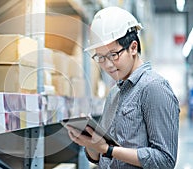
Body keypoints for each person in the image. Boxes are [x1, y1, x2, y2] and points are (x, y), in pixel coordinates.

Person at [66, 6, 180, 169]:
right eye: (100, 57)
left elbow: (164, 160)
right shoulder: (114, 93)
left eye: (113, 55)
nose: (107, 64)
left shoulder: (154, 88)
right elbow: (98, 158)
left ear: (133, 47)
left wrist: (109, 149)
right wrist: (90, 142)